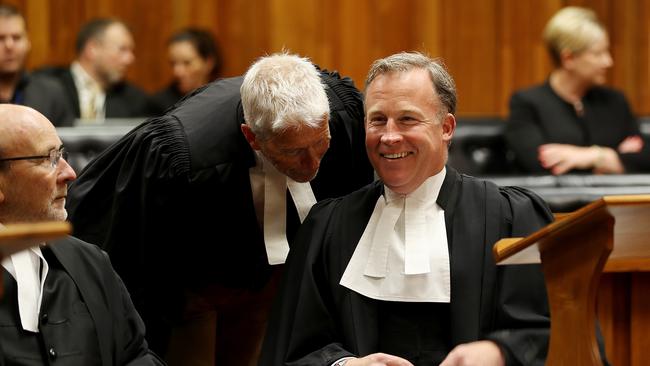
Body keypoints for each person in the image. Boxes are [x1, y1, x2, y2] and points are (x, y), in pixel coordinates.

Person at [65, 52, 374, 365]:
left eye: (320, 144)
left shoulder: (341, 110)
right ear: (251, 136)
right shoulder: (180, 153)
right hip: (199, 281)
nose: (312, 165)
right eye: (293, 151)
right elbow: (131, 245)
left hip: (280, 277)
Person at [258, 52, 558, 366]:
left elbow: (554, 330)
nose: (389, 136)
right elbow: (291, 349)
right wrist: (346, 365)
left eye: (407, 119)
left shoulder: (512, 218)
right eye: (377, 120)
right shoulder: (327, 226)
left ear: (446, 127)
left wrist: (499, 353)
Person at [0, 104, 163, 365]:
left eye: (63, 155)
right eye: (49, 158)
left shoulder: (91, 262)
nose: (69, 173)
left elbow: (135, 356)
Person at [505, 6, 650, 175]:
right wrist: (615, 157)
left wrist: (592, 156)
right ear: (568, 58)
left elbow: (644, 157)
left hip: (613, 201)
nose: (608, 61)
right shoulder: (527, 103)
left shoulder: (615, 101)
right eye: (598, 54)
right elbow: (540, 166)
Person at [36, 18, 154, 121]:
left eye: (131, 51)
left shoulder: (134, 99)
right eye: (122, 49)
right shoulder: (45, 85)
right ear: (92, 49)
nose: (130, 59)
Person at [0, 4, 73, 126]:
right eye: (0, 38)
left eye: (16, 37)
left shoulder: (52, 93)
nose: (9, 46)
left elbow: (67, 142)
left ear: (28, 42)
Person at [152, 28, 222, 112]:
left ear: (208, 63)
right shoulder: (158, 104)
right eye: (173, 63)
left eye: (187, 63)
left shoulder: (224, 99)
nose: (177, 72)